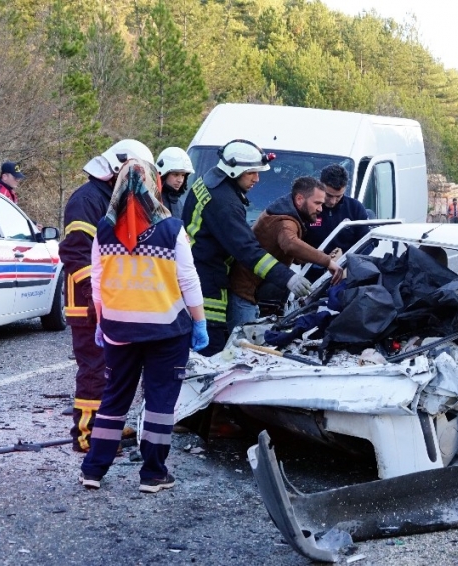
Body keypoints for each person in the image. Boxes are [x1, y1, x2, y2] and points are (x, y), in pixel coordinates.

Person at [78, 158, 207, 493]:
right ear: (155, 186)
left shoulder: (103, 230)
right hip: (166, 328)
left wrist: (101, 319)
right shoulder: (172, 229)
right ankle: (153, 474)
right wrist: (199, 321)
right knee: (161, 400)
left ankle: (93, 469)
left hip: (119, 327)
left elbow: (96, 280)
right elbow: (189, 280)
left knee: (114, 398)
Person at [59, 139, 155, 453]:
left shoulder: (109, 199)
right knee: (95, 370)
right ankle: (87, 436)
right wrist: (96, 297)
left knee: (112, 369)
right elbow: (75, 252)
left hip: (108, 301)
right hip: (89, 305)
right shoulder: (87, 200)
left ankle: (106, 426)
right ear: (117, 169)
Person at [182, 138, 311, 356]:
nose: (257, 179)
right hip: (208, 286)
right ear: (234, 171)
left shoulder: (210, 180)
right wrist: (288, 277)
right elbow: (248, 251)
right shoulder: (225, 203)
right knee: (211, 355)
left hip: (197, 272)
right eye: (251, 172)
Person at [231, 176, 344, 308]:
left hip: (252, 293)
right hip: (244, 295)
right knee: (242, 329)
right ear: (300, 199)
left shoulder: (285, 213)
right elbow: (290, 244)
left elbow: (292, 255)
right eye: (317, 203)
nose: (321, 209)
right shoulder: (285, 221)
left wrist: (317, 256)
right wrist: (328, 262)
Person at [303, 164, 369, 281]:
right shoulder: (307, 207)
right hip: (310, 275)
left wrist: (346, 257)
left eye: (338, 196)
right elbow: (295, 242)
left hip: (346, 275)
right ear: (320, 185)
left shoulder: (355, 208)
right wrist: (322, 259)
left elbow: (368, 244)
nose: (333, 201)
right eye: (328, 195)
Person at [155, 147, 194, 220]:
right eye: (176, 174)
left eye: (183, 175)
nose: (180, 180)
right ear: (164, 174)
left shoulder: (178, 203)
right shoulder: (154, 201)